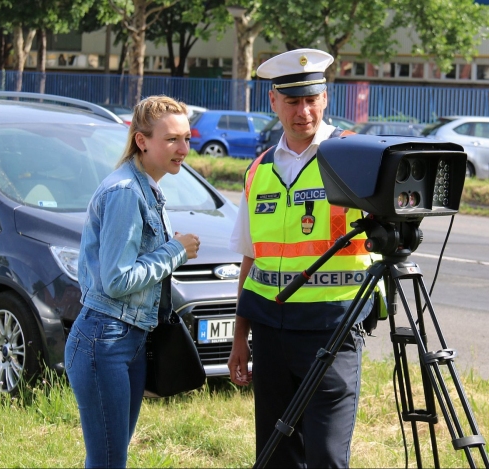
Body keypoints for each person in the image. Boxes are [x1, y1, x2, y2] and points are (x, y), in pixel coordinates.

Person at [227, 48, 375, 468]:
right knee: (275, 456)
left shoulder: (354, 159)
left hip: (331, 330)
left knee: (325, 456)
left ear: (325, 99)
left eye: (311, 100)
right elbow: (250, 259)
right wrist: (240, 338)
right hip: (270, 334)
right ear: (273, 101)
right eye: (292, 101)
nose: (303, 112)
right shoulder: (258, 171)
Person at [65, 95, 201, 468]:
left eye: (187, 138)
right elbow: (116, 279)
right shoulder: (125, 192)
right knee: (108, 461)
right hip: (104, 341)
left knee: (111, 458)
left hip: (128, 339)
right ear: (142, 141)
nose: (183, 149)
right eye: (172, 139)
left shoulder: (146, 187)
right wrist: (175, 251)